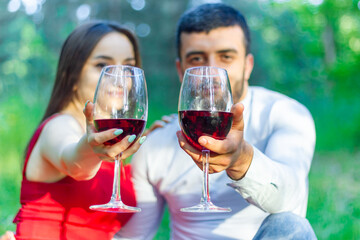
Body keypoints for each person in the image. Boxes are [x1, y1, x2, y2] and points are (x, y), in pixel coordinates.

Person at [115, 3, 317, 240]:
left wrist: (242, 161)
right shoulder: (157, 143)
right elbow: (132, 237)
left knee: (290, 225)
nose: (211, 71)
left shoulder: (285, 114)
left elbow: (290, 197)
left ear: (247, 66)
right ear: (180, 70)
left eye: (226, 57)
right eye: (197, 58)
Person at [11, 20, 147, 240]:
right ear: (72, 75)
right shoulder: (58, 126)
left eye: (128, 68)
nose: (120, 80)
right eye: (103, 66)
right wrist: (89, 147)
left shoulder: (112, 141)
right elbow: (74, 161)